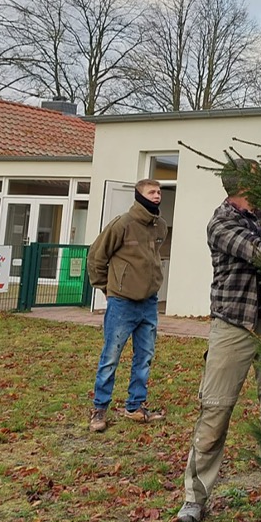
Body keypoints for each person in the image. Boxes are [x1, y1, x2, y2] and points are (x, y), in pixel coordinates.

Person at [176, 160, 261, 522]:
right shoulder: (221, 222)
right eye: (259, 176)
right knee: (216, 410)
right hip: (233, 325)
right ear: (245, 184)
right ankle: (194, 498)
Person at [87, 178, 168, 432]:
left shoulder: (160, 226)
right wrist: (108, 288)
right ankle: (99, 409)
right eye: (151, 192)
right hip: (122, 303)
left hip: (149, 303)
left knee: (144, 357)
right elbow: (96, 256)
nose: (157, 196)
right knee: (111, 357)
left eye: (159, 192)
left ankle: (135, 406)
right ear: (139, 195)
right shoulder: (122, 224)